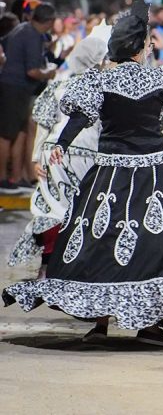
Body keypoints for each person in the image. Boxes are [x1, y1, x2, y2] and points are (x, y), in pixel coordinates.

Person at [2, 0, 163, 346]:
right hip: (151, 174)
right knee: (156, 244)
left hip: (110, 173)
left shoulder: (100, 81)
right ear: (138, 46)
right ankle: (147, 326)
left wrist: (61, 143)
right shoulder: (160, 77)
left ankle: (100, 323)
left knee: (99, 241)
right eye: (147, 41)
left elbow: (79, 118)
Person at [7, 22, 111, 274]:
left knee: (52, 209)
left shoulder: (57, 86)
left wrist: (35, 160)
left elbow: (43, 125)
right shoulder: (101, 87)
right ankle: (78, 267)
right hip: (85, 156)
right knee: (83, 211)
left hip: (52, 154)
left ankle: (46, 268)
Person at [0, 3, 58, 194]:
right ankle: (3, 179)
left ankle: (16, 178)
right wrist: (49, 73)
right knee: (7, 135)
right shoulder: (31, 36)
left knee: (19, 134)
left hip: (15, 88)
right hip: (15, 88)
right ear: (49, 21)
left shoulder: (22, 28)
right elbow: (33, 71)